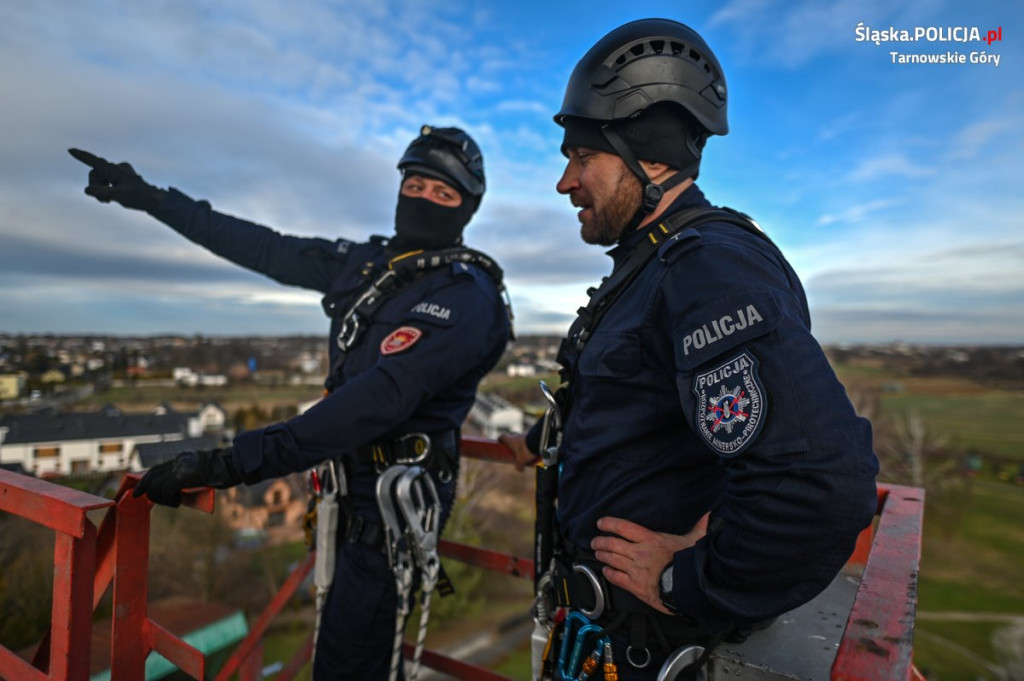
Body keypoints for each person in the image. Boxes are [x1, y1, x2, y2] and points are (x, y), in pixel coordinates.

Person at [500, 18, 879, 680]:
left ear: (648, 156)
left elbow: (818, 486)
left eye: (581, 157)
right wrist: (540, 437)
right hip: (597, 635)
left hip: (646, 647)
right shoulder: (651, 264)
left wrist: (687, 580)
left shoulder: (707, 270)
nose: (565, 182)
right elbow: (631, 396)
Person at [70, 126, 513, 680]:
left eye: (444, 194)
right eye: (416, 183)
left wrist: (235, 460)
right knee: (341, 640)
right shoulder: (370, 265)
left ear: (468, 209)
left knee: (347, 662)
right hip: (342, 482)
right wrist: (151, 198)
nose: (425, 199)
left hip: (393, 503)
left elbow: (379, 400)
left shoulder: (465, 295)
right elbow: (263, 246)